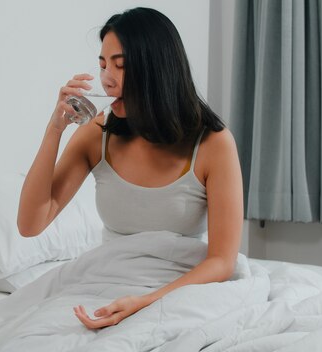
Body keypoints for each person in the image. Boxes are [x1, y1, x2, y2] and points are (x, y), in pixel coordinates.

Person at [17, 7, 243, 330]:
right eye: (103, 65)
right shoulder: (97, 134)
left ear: (157, 71)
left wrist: (144, 303)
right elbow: (30, 224)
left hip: (182, 289)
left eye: (120, 66)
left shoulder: (213, 144)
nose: (106, 80)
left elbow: (222, 261)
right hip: (106, 281)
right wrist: (54, 129)